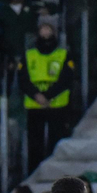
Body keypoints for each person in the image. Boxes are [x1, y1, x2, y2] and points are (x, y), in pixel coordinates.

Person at [20, 22, 74, 167]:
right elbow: (22, 79)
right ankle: (35, 170)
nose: (45, 34)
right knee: (35, 144)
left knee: (56, 141)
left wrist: (48, 96)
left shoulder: (63, 54)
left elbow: (66, 79)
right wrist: (36, 95)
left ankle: (57, 169)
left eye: (48, 30)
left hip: (57, 105)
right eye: (42, 31)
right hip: (34, 105)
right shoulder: (29, 55)